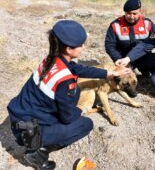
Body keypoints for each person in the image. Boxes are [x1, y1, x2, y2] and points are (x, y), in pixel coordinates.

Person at [7, 20, 131, 170]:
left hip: (20, 116)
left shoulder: (51, 59)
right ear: (69, 49)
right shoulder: (65, 82)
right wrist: (83, 108)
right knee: (85, 124)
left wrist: (110, 73)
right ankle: (38, 152)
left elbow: (77, 69)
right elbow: (68, 118)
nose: (83, 47)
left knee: (72, 96)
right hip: (28, 131)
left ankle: (38, 141)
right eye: (81, 45)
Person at [105, 0, 155, 76]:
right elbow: (109, 45)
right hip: (123, 59)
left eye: (134, 14)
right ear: (124, 12)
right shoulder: (115, 25)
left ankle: (147, 73)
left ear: (140, 12)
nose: (131, 17)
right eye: (128, 13)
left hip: (143, 56)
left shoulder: (147, 23)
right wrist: (118, 59)